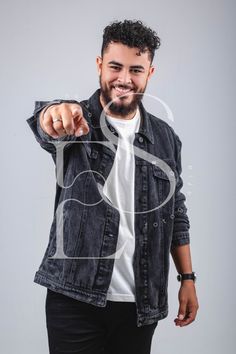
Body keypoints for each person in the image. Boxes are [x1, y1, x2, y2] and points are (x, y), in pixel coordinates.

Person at [27, 20, 199, 354]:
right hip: (74, 299)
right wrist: (54, 114)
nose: (124, 79)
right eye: (115, 66)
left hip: (140, 305)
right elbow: (47, 124)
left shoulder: (165, 138)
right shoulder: (79, 119)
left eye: (136, 69)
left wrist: (187, 279)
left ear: (150, 73)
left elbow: (176, 210)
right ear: (99, 65)